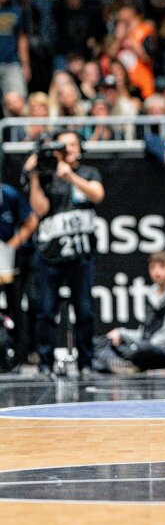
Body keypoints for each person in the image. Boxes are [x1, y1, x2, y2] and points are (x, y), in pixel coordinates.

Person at [23, 130, 105, 377]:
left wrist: (70, 177)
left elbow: (97, 194)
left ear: (79, 148)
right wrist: (35, 176)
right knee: (47, 311)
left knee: (85, 311)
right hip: (50, 256)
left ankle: (86, 362)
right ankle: (45, 362)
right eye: (64, 145)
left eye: (72, 144)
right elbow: (40, 209)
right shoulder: (47, 175)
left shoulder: (88, 172)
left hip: (80, 256)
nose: (68, 149)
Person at [96, 250, 165, 373]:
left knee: (141, 350)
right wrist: (121, 333)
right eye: (153, 267)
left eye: (162, 267)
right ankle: (122, 364)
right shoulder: (152, 294)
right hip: (146, 345)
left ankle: (124, 363)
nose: (157, 271)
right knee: (102, 341)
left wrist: (137, 346)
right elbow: (144, 332)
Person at [0, 179, 38, 365]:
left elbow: (31, 221)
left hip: (13, 259)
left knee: (17, 303)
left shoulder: (9, 194)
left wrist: (11, 246)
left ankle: (21, 351)